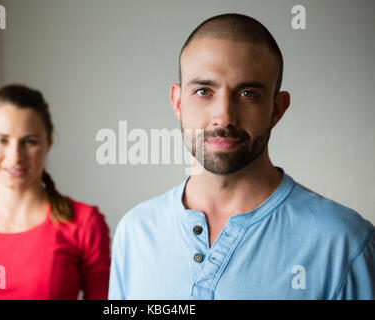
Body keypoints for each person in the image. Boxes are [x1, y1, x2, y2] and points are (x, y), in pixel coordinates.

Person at [108, 13, 375, 299]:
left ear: (277, 108)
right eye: (203, 91)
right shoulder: (135, 233)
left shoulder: (344, 244)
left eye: (247, 93)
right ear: (177, 101)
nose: (224, 116)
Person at [0, 84, 110, 299]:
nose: (15, 156)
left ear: (48, 141)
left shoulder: (84, 223)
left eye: (29, 141)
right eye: (2, 140)